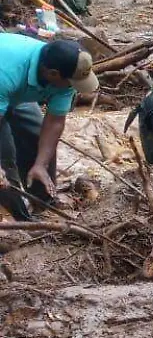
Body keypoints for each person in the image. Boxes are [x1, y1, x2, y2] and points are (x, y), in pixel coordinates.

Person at [0, 35, 99, 221]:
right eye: (71, 83)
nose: (73, 87)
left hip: (13, 92)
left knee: (36, 136)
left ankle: (44, 206)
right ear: (52, 74)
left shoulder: (64, 71)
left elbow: (54, 122)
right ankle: (17, 220)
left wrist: (41, 163)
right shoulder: (8, 71)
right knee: (4, 159)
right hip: (5, 81)